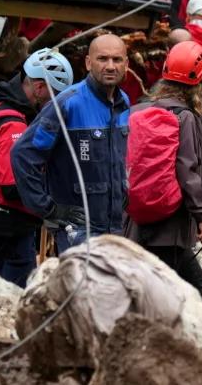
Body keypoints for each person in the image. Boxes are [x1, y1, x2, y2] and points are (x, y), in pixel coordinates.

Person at [12, 34, 132, 252]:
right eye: (102, 59)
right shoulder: (68, 104)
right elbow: (22, 155)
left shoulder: (123, 103)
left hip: (114, 227)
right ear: (88, 63)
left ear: (127, 64)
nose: (110, 66)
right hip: (77, 230)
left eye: (117, 60)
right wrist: (49, 209)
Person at [0, 49, 74, 286]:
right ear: (39, 88)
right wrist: (51, 203)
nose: (57, 104)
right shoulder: (12, 124)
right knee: (15, 295)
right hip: (9, 225)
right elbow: (11, 185)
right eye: (56, 96)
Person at [124, 42, 202, 294]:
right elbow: (188, 172)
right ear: (201, 78)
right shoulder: (186, 117)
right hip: (170, 227)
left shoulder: (137, 110)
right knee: (187, 292)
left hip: (135, 220)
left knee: (153, 289)